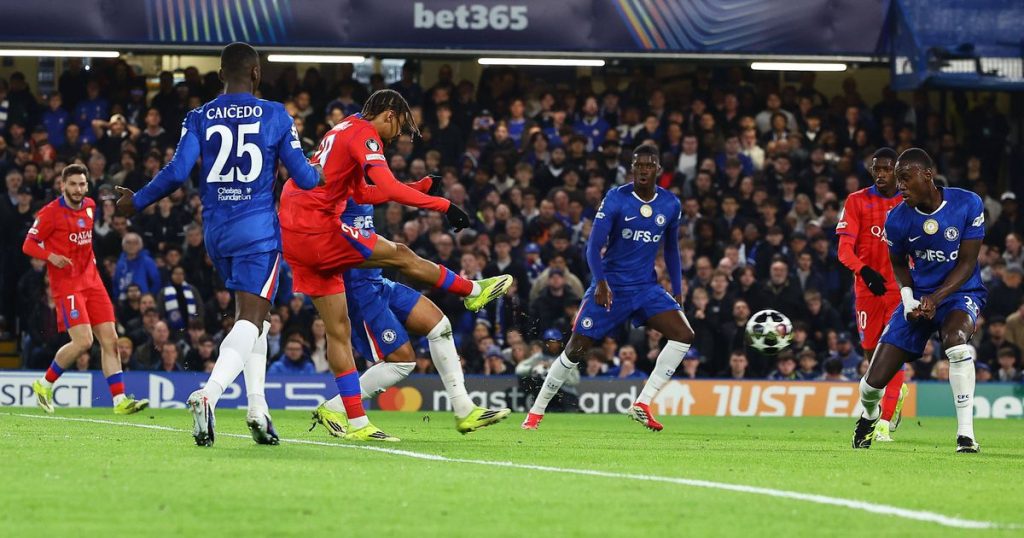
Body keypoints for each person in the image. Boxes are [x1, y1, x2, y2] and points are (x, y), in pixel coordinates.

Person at [115, 42, 324, 447]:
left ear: (219, 76)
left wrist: (136, 201)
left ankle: (257, 409)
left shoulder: (200, 115)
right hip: (257, 231)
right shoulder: (276, 114)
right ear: (257, 74)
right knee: (250, 318)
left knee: (255, 320)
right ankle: (209, 395)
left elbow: (177, 173)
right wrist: (321, 173)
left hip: (215, 232)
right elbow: (303, 175)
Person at [278, 89, 511, 441]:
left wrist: (417, 187)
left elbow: (362, 193)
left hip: (296, 225)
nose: (399, 135)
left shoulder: (343, 130)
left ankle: (369, 421)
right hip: (317, 227)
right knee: (401, 256)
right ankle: (472, 291)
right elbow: (385, 186)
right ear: (389, 114)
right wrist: (443, 205)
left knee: (347, 331)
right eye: (401, 126)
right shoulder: (364, 135)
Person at [309, 189, 511, 437]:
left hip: (378, 281)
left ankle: (464, 409)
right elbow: (332, 243)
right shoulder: (332, 191)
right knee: (402, 362)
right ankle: (335, 407)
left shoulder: (357, 181)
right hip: (358, 292)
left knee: (440, 326)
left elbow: (387, 186)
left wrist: (421, 187)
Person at [522, 144, 694, 431]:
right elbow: (593, 247)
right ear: (632, 169)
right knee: (576, 350)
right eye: (638, 165)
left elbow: (672, 250)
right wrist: (600, 282)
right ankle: (536, 413)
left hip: (645, 288)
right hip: (611, 287)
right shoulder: (616, 198)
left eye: (649, 165)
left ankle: (642, 403)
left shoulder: (671, 204)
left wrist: (677, 289)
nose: (642, 170)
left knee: (683, 335)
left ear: (658, 171)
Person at [852, 148, 985, 453]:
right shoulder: (897, 219)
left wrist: (936, 298)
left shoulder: (967, 203)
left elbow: (967, 264)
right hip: (918, 300)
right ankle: (870, 415)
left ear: (927, 175)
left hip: (959, 294)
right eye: (897, 180)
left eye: (904, 178)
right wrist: (909, 299)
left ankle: (966, 434)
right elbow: (898, 264)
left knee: (956, 341)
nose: (899, 186)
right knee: (871, 384)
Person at [23, 164, 148, 414]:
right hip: (67, 285)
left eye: (82, 184)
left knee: (111, 340)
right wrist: (50, 256)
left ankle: (119, 401)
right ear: (62, 186)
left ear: (87, 186)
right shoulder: (50, 213)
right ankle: (44, 384)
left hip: (92, 281)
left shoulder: (91, 206)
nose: (78, 189)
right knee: (83, 342)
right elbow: (28, 244)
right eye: (72, 184)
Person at [837, 148, 910, 441]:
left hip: (900, 289)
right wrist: (864, 271)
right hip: (867, 290)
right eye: (876, 169)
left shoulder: (908, 203)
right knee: (872, 355)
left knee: (895, 350)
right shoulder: (857, 201)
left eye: (886, 169)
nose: (880, 174)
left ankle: (883, 422)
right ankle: (894, 393)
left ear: (897, 171)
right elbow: (843, 250)